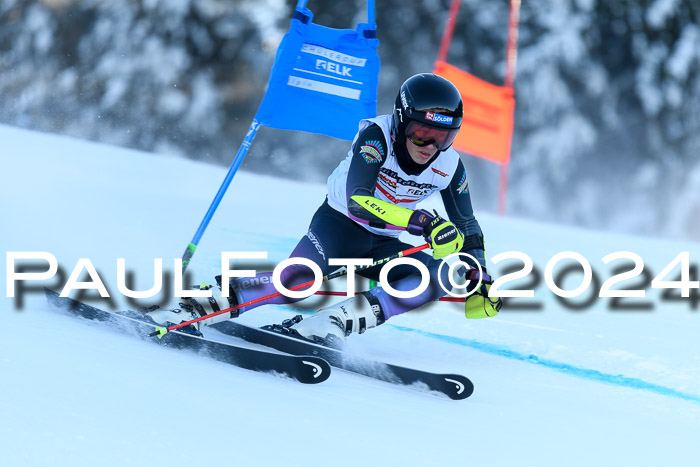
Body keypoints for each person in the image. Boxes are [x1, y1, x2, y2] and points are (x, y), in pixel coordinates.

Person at [148, 73, 501, 344]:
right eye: (422, 133)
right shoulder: (377, 136)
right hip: (340, 225)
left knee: (435, 277)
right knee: (296, 283)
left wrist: (479, 274)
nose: (430, 146)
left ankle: (329, 323)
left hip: (382, 244)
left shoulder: (449, 165)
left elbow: (468, 225)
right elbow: (359, 201)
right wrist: (420, 221)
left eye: (444, 137)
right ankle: (194, 307)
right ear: (401, 121)